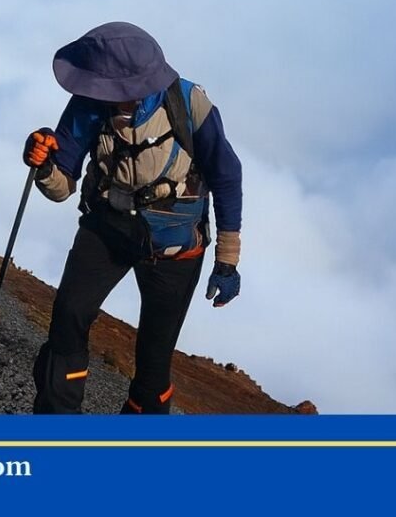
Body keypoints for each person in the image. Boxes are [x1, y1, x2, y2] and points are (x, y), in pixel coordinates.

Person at [22, 21, 243, 415]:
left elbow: (226, 175)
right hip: (106, 228)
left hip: (174, 246)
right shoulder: (89, 104)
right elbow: (62, 186)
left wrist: (226, 260)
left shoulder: (189, 104)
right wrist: (41, 164)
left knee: (154, 361)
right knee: (68, 319)